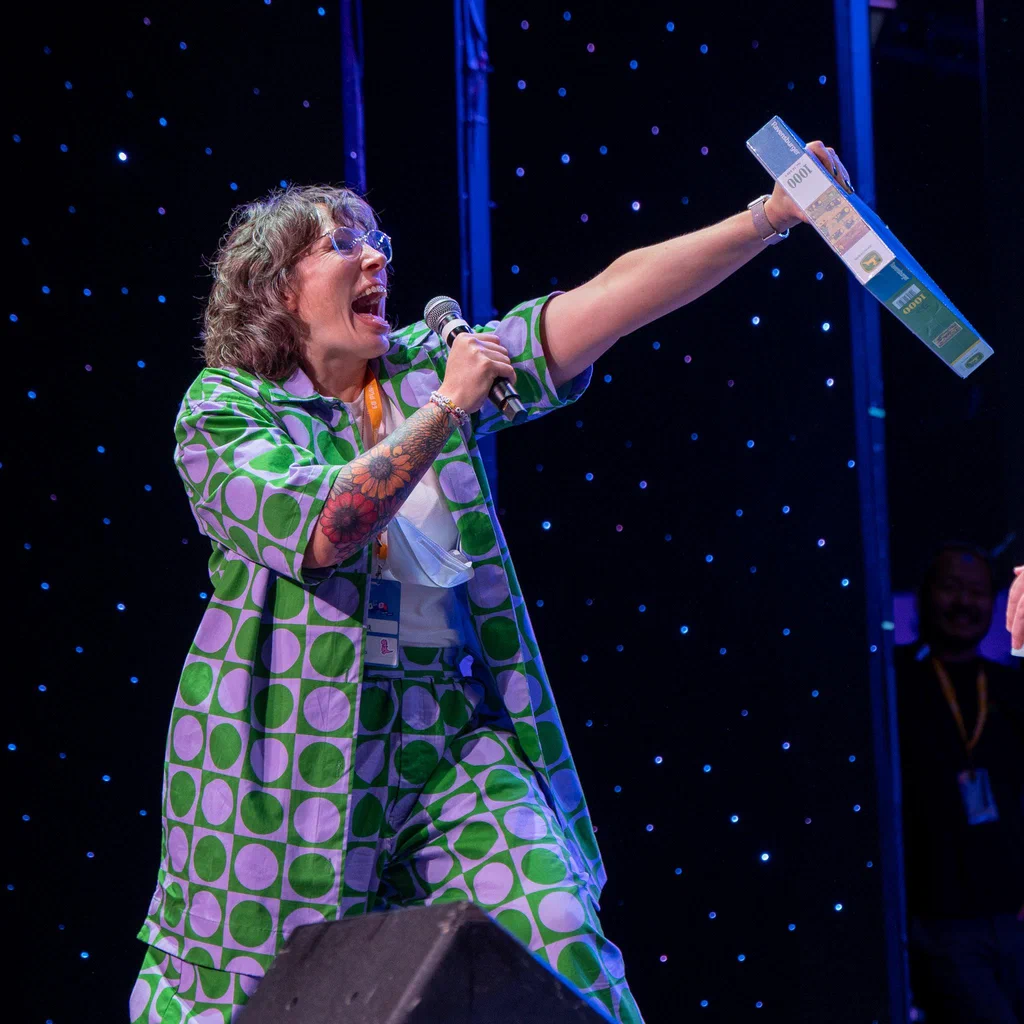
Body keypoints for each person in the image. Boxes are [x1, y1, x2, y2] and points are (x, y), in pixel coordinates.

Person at [130, 140, 851, 1023]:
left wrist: (769, 217)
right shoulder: (225, 409)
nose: (375, 258)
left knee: (555, 929)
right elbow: (323, 528)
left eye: (378, 241)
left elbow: (607, 300)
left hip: (447, 728)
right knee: (264, 992)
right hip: (286, 745)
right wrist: (447, 408)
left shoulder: (421, 369)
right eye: (341, 244)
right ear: (278, 288)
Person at [896, 544, 1024, 1022]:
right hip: (940, 920)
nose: (965, 603)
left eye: (977, 592)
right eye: (952, 588)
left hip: (1012, 912)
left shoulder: (1009, 689)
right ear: (926, 595)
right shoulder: (895, 686)